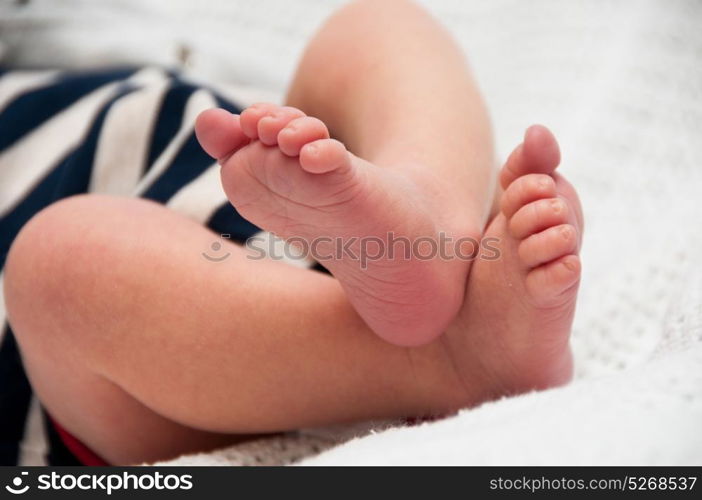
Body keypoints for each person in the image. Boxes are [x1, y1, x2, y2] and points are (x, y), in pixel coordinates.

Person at [3, 0, 582, 465]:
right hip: (164, 364)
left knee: (374, 25)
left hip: (291, 192)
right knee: (61, 263)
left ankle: (428, 214)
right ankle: (444, 359)